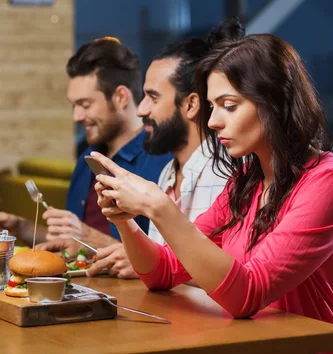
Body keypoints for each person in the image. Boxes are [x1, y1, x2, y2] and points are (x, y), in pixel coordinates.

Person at [90, 32, 333, 352]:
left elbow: (247, 294)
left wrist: (159, 207)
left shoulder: (330, 182)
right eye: (212, 107)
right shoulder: (245, 182)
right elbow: (162, 273)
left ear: (274, 102)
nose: (215, 122)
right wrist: (125, 220)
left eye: (229, 106)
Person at [0, 37, 172, 250]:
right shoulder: (88, 158)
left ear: (121, 97)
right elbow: (76, 245)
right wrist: (22, 228)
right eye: (74, 106)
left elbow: (168, 261)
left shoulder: (161, 160)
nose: (77, 116)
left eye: (85, 104)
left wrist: (87, 236)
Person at [84, 25, 237, 278]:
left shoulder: (226, 174)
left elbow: (229, 277)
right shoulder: (169, 172)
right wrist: (121, 218)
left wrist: (151, 262)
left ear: (191, 105)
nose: (141, 110)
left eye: (152, 98)